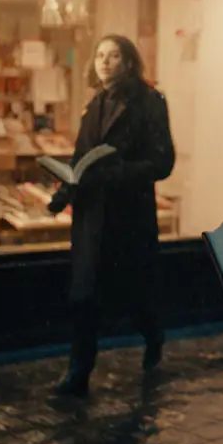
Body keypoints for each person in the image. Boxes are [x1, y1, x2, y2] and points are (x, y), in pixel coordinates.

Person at [47, 34, 175, 397]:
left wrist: (117, 173)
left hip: (128, 215)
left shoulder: (150, 102)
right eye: (100, 55)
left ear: (129, 61)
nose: (105, 61)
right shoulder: (94, 104)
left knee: (136, 292)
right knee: (84, 294)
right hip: (92, 216)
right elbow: (80, 159)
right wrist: (63, 192)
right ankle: (79, 371)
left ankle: (153, 337)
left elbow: (162, 162)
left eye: (114, 55)